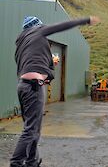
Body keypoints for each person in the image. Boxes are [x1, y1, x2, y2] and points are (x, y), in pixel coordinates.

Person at [10, 15, 100, 167]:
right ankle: (16, 163)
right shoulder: (38, 31)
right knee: (31, 130)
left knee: (31, 128)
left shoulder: (21, 43)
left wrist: (49, 64)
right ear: (37, 26)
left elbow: (29, 65)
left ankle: (32, 161)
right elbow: (62, 25)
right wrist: (86, 20)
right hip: (33, 86)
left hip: (23, 85)